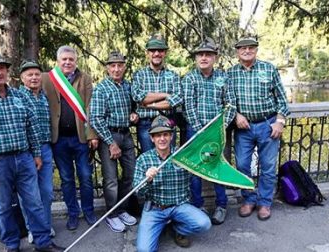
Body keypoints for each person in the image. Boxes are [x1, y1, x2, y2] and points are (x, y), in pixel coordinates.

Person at [0, 51, 62, 252]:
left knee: (34, 203)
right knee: (3, 207)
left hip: (24, 159)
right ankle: (12, 245)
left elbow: (31, 127)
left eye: (2, 68)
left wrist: (36, 154)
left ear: (7, 71)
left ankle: (43, 243)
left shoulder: (19, 96)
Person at [227, 37, 290, 220]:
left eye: (250, 47)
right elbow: (229, 101)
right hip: (243, 128)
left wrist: (280, 121)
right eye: (242, 48)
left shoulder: (268, 69)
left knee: (268, 167)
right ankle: (248, 199)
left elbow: (282, 99)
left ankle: (264, 203)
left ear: (256, 49)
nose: (247, 51)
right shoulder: (231, 74)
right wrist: (236, 115)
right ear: (237, 52)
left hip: (267, 125)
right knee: (242, 165)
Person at [133, 115, 211, 251]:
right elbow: (137, 192)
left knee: (204, 223)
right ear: (152, 138)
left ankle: (178, 228)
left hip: (179, 205)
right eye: (157, 135)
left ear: (171, 136)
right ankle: (160, 226)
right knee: (144, 250)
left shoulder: (183, 156)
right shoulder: (144, 159)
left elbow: (203, 166)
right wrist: (147, 180)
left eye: (165, 134)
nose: (162, 139)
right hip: (155, 209)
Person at [42, 46, 98, 230]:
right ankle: (73, 213)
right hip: (59, 140)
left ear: (76, 61)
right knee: (66, 179)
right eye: (64, 59)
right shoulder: (47, 79)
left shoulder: (85, 79)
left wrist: (92, 135)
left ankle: (89, 211)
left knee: (86, 177)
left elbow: (90, 108)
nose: (67, 62)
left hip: (80, 138)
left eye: (71, 59)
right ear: (58, 61)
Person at [182, 38, 236, 225]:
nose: (204, 58)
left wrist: (220, 128)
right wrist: (199, 129)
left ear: (215, 57)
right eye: (200, 54)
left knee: (216, 167)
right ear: (196, 58)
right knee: (195, 169)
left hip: (216, 132)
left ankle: (221, 205)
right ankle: (199, 206)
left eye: (208, 54)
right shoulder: (189, 78)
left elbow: (230, 105)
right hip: (195, 131)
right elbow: (188, 105)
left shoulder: (223, 78)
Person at [89, 51, 139, 232]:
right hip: (109, 136)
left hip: (126, 135)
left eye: (119, 65)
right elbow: (96, 118)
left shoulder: (128, 86)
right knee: (111, 180)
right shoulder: (102, 89)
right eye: (112, 66)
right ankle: (111, 214)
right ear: (107, 68)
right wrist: (111, 143)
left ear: (124, 67)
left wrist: (135, 114)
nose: (116, 69)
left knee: (131, 175)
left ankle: (123, 209)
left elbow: (135, 106)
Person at [18, 60, 56, 243]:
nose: (34, 78)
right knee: (30, 194)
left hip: (46, 148)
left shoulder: (44, 96)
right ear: (22, 78)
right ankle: (33, 228)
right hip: (27, 151)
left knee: (47, 192)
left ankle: (46, 225)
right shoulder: (17, 97)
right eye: (29, 75)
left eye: (36, 74)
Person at [131, 34, 182, 153]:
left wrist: (149, 105)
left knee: (168, 161)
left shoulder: (173, 76)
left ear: (165, 53)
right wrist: (165, 95)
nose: (156, 53)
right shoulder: (139, 75)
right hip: (146, 124)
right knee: (149, 160)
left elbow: (177, 99)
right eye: (153, 50)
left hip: (167, 122)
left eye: (160, 50)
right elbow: (138, 96)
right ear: (148, 53)